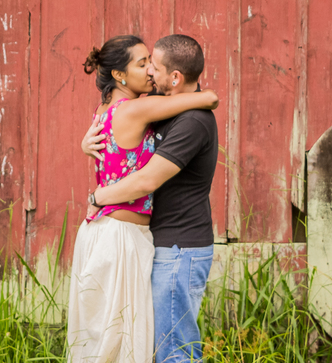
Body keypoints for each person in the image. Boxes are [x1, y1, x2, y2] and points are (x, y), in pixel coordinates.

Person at [66, 35, 219, 363]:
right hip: (121, 236)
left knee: (114, 338)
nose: (149, 71)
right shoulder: (139, 108)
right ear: (120, 76)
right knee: (122, 341)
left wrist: (98, 195)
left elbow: (147, 176)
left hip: (127, 235)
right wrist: (206, 95)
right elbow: (207, 98)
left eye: (153, 64)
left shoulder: (118, 109)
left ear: (174, 77)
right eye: (142, 63)